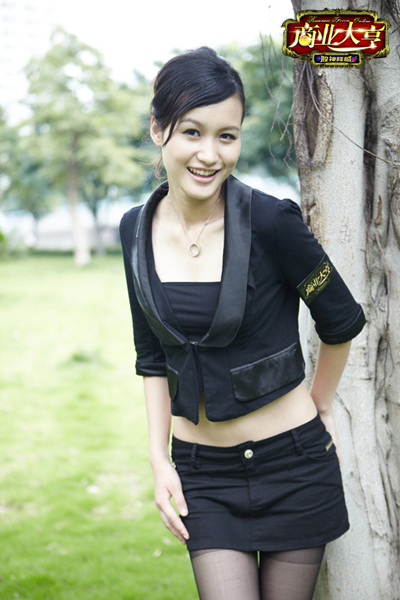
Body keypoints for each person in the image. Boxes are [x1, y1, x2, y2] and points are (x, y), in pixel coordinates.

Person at [119, 47, 365, 600]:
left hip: (294, 468)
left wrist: (322, 405)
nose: (210, 154)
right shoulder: (134, 229)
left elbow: (340, 320)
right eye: (192, 132)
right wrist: (159, 459)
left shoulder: (273, 221)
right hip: (204, 476)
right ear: (158, 129)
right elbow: (151, 357)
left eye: (226, 136)